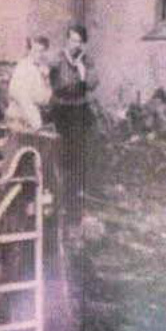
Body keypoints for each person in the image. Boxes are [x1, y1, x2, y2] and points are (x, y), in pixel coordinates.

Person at [46, 24, 99, 223]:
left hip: (79, 111)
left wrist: (83, 71)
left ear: (83, 43)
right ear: (67, 40)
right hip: (61, 111)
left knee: (79, 158)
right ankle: (57, 204)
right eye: (72, 40)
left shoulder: (86, 60)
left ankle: (74, 206)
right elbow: (52, 78)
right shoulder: (58, 58)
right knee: (60, 157)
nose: (75, 44)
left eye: (79, 41)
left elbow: (93, 83)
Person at [6, 36, 55, 132]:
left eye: (42, 51)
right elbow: (17, 94)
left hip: (36, 118)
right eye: (36, 51)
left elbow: (45, 98)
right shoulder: (23, 67)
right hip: (21, 118)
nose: (39, 54)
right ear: (30, 51)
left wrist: (46, 80)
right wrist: (36, 122)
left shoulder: (43, 69)